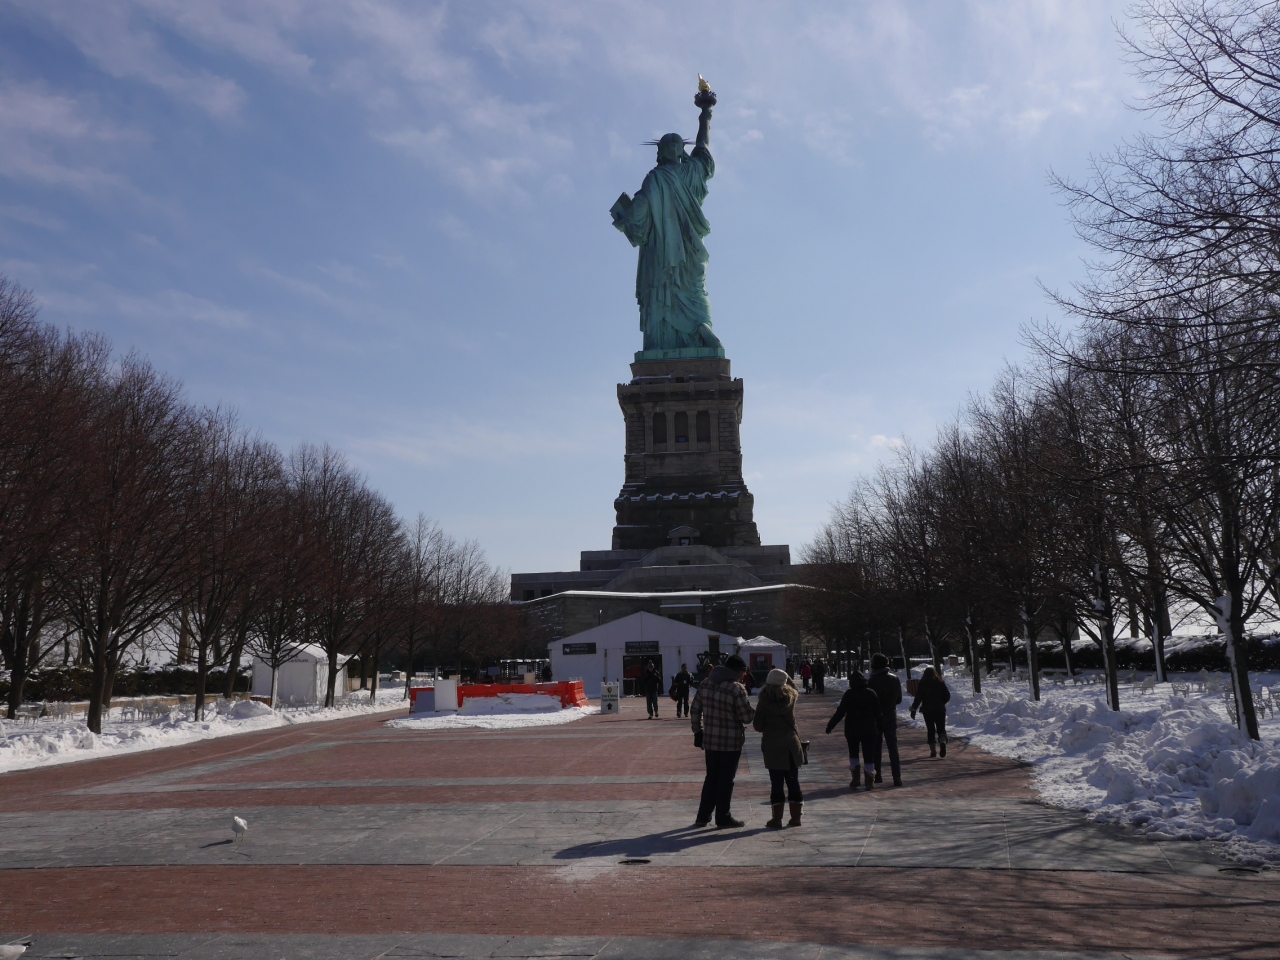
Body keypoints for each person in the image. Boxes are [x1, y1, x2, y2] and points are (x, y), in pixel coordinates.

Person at [690, 654, 755, 828]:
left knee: (711, 778)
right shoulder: (736, 689)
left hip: (710, 741)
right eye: (743, 672)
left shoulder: (705, 683)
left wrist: (698, 731)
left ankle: (703, 816)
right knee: (726, 780)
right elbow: (746, 717)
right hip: (730, 742)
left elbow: (695, 709)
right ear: (737, 671)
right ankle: (723, 817)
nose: (744, 675)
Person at [752, 668, 805, 828]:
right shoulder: (791, 698)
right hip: (791, 745)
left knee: (776, 783)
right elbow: (793, 687)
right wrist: (786, 677)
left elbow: (758, 726)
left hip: (773, 746)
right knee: (793, 781)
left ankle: (777, 819)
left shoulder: (763, 702)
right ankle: (796, 817)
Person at [825, 671, 881, 790]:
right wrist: (880, 727)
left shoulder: (849, 694)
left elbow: (841, 712)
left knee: (853, 753)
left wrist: (831, 725)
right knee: (869, 754)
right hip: (869, 729)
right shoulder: (871, 693)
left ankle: (855, 779)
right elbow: (878, 712)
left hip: (852, 729)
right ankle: (869, 781)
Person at [866, 653, 903, 786]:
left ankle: (877, 776)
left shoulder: (871, 681)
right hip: (890, 715)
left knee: (876, 747)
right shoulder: (894, 679)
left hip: (876, 718)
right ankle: (897, 777)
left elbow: (869, 701)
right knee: (893, 747)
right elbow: (899, 699)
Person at [911, 666, 952, 758]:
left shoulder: (922, 684)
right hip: (940, 709)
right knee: (941, 728)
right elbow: (947, 696)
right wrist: (942, 702)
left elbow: (918, 698)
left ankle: (933, 751)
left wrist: (913, 709)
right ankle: (942, 742)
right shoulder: (940, 683)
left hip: (927, 710)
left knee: (931, 729)